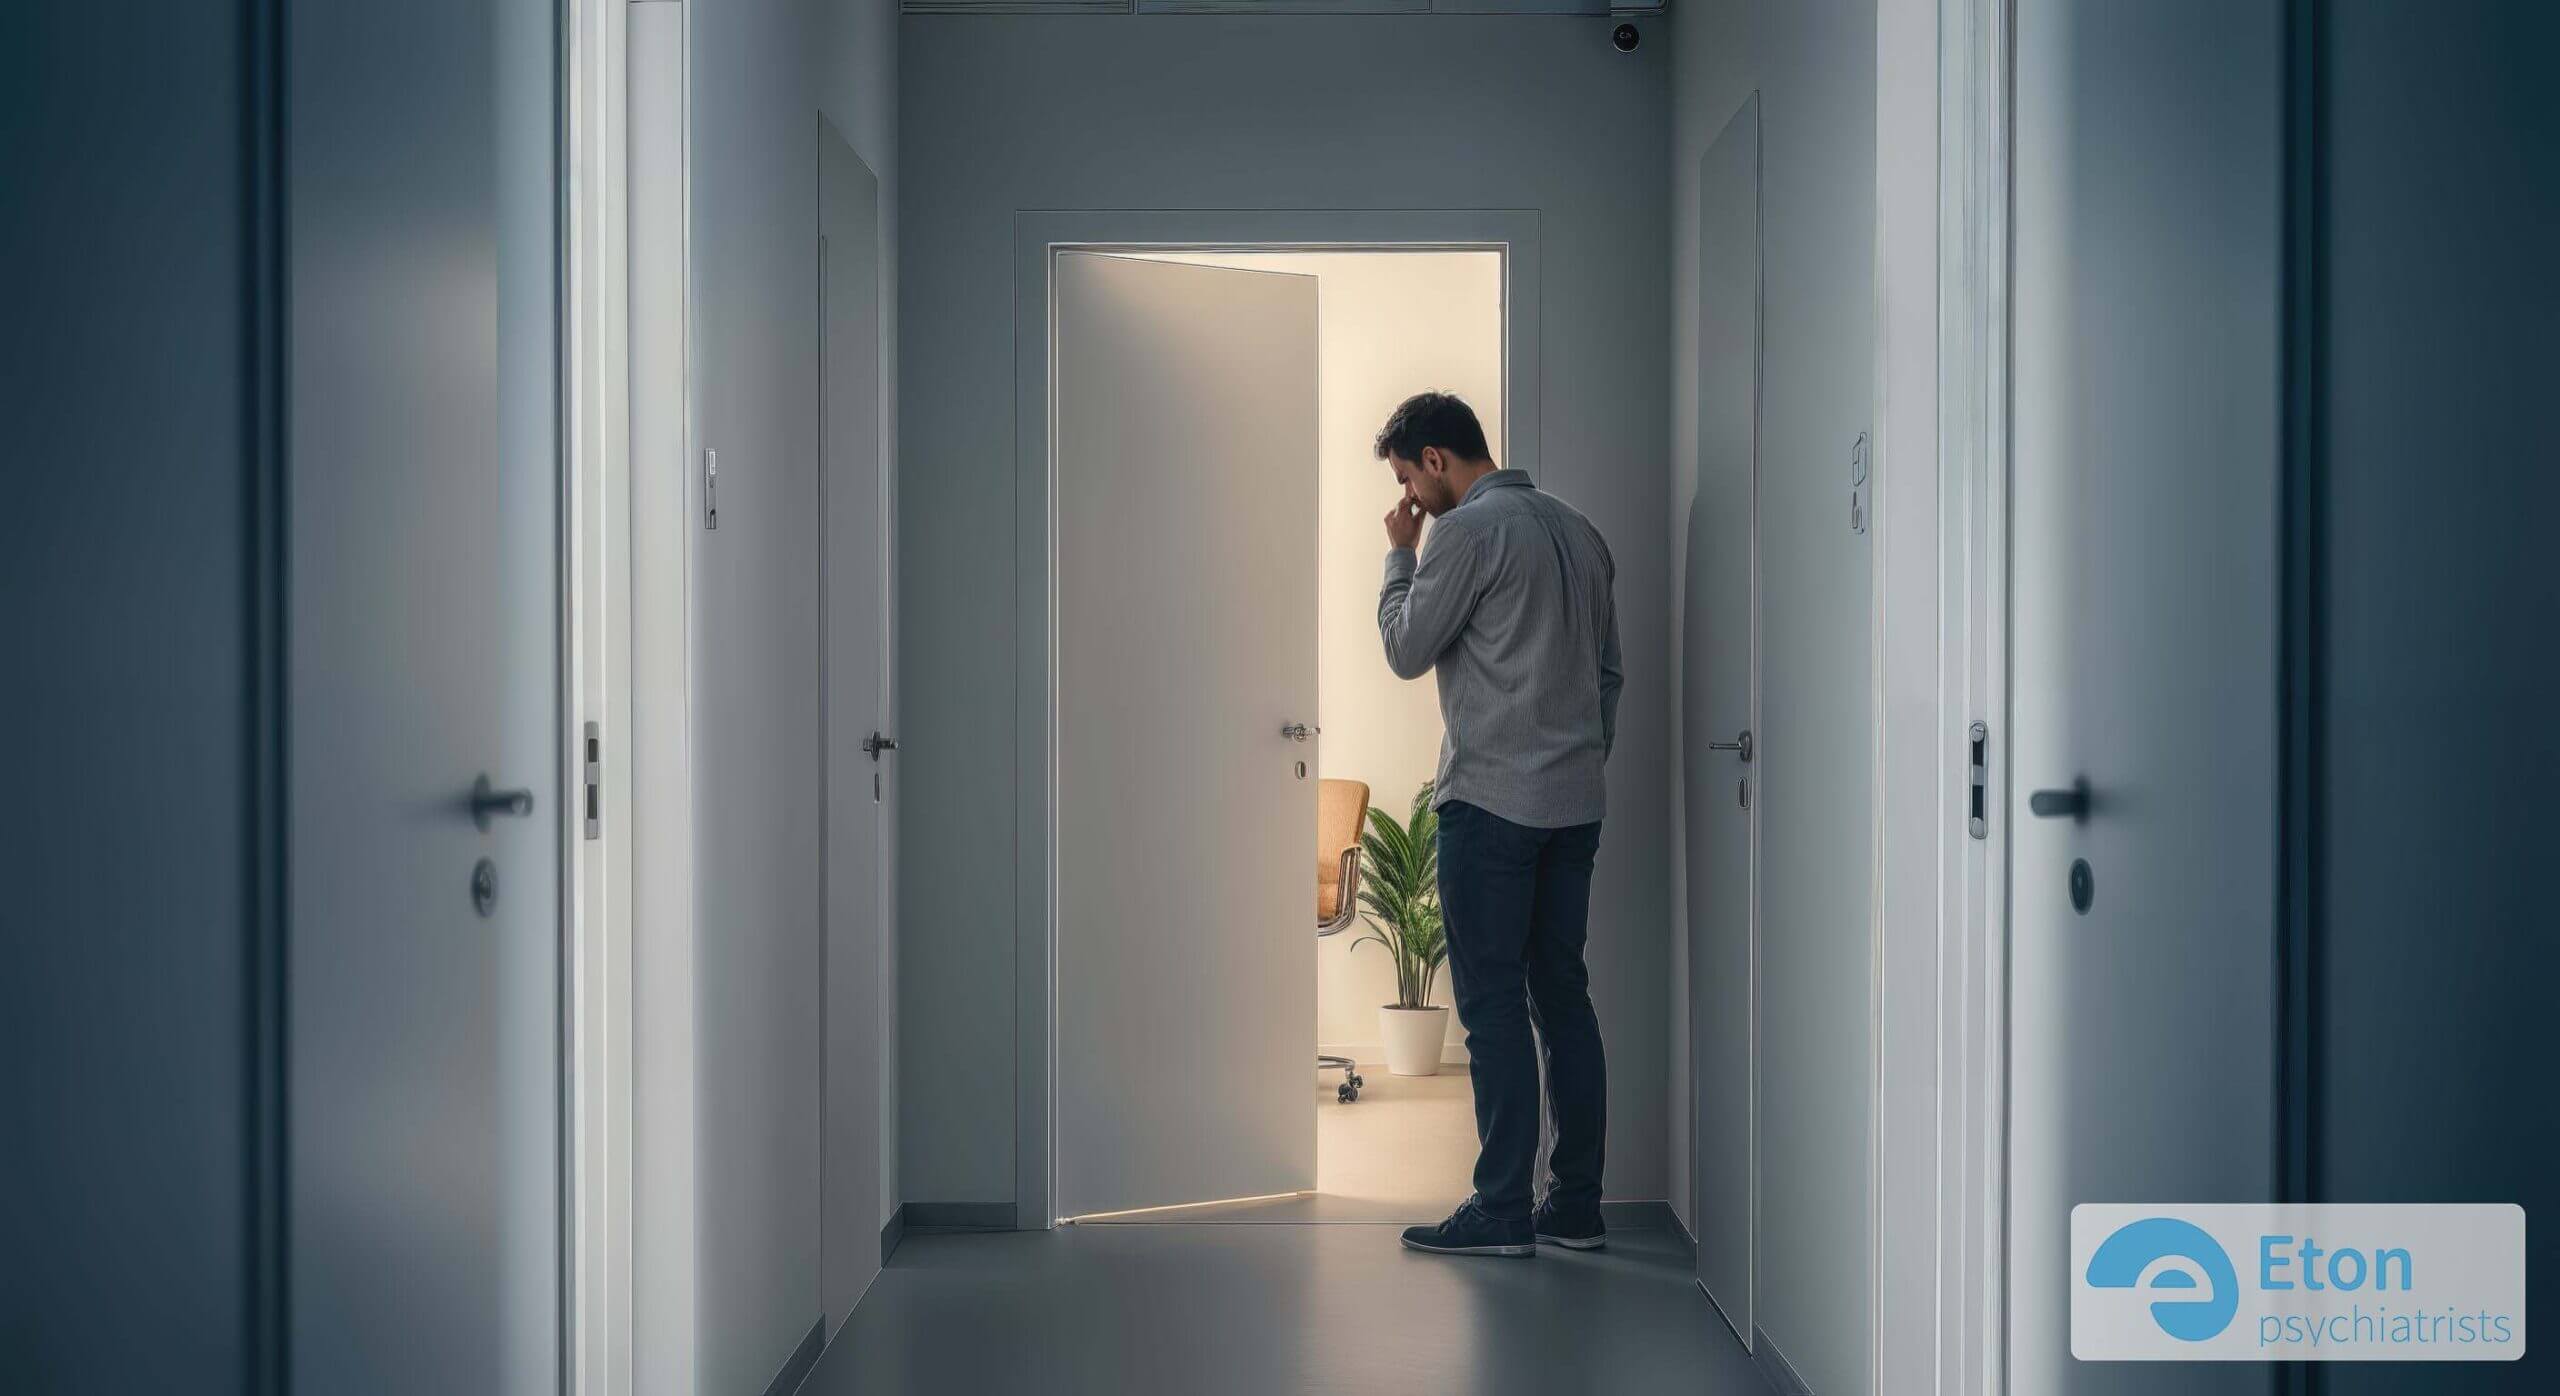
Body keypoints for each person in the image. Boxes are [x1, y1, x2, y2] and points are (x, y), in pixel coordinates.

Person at [1373, 391, 1621, 1259]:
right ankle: (1576, 1206)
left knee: (1491, 1008)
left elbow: (1405, 649)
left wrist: (1399, 557)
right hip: (1574, 807)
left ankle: (1503, 1207)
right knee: (1563, 997)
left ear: (1436, 461)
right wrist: (1577, 760)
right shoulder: (1581, 533)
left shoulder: (1467, 533)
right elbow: (1609, 676)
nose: (1410, 498)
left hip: (1490, 807)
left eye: (1408, 479)